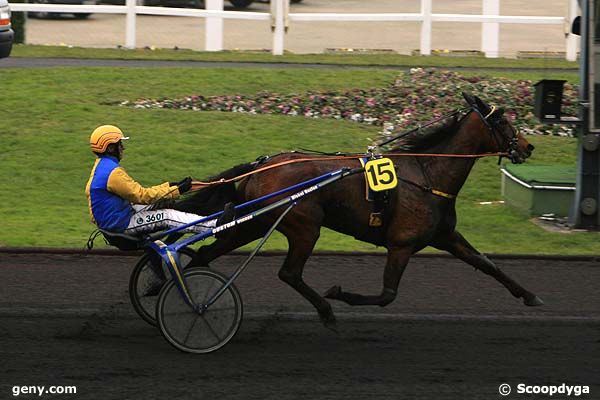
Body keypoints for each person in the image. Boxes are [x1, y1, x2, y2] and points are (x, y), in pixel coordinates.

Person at [85, 125, 234, 236]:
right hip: (120, 224)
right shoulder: (113, 173)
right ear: (110, 148)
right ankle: (215, 226)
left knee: (163, 203)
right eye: (120, 144)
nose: (123, 148)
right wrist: (177, 190)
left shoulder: (101, 167)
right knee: (167, 216)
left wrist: (170, 186)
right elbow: (142, 195)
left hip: (117, 216)